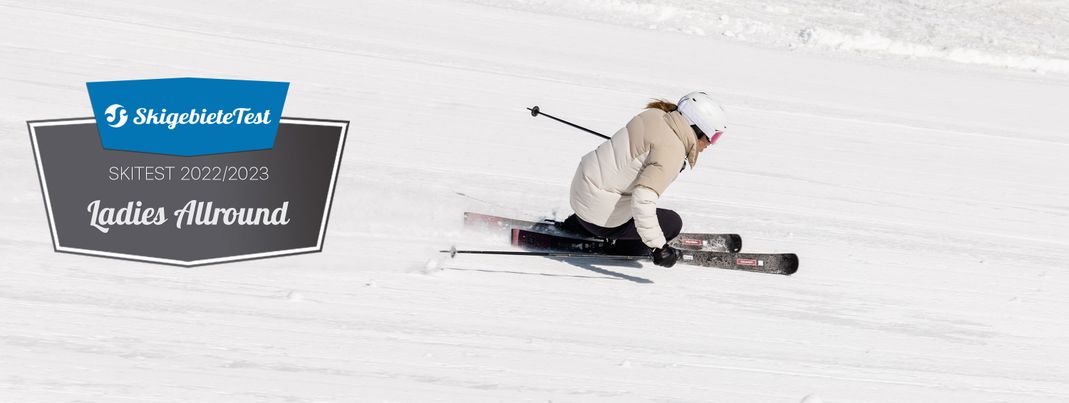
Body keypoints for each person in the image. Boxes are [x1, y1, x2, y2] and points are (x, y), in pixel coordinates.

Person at [561, 92, 727, 268]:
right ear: (698, 127)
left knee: (613, 188)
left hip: (581, 192)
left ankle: (579, 225)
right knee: (672, 223)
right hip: (599, 216)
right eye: (714, 137)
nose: (711, 144)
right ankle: (623, 247)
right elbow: (643, 200)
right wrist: (658, 247)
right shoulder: (672, 151)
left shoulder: (654, 115)